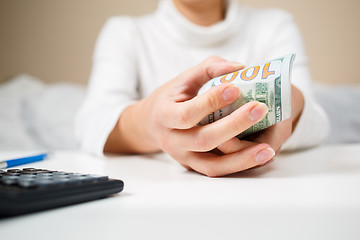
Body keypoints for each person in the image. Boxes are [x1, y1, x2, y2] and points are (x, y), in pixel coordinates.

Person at [75, 0, 329, 177]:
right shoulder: (125, 32)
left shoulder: (274, 25)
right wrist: (151, 123)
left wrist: (290, 103)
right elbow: (91, 124)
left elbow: (317, 123)